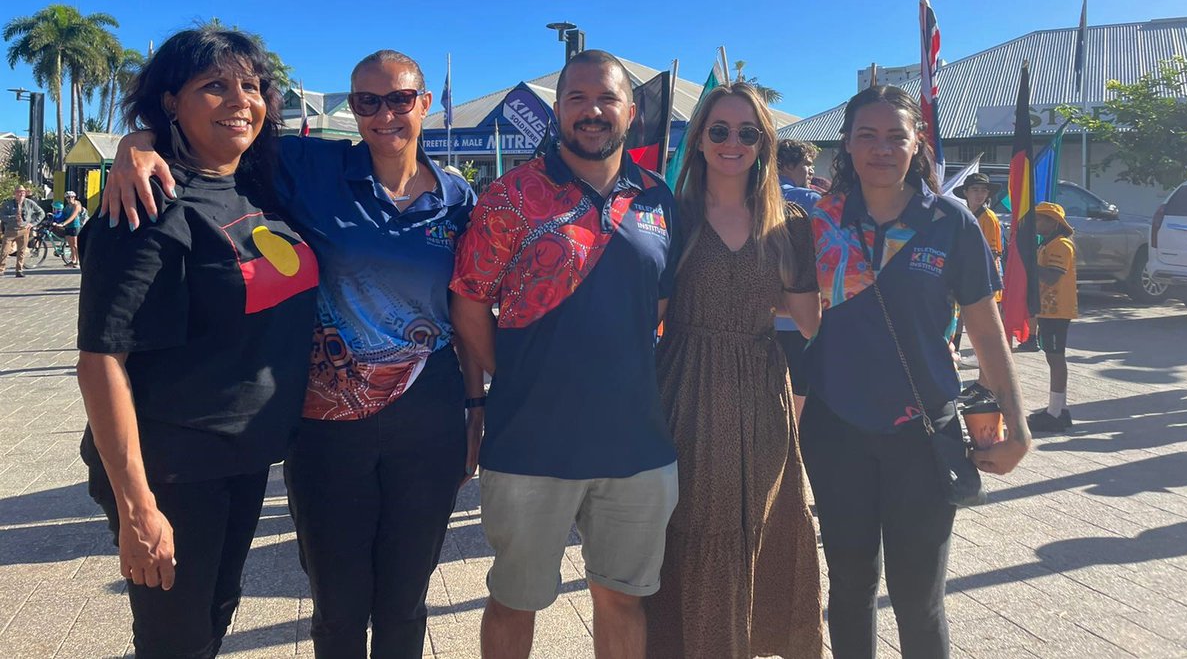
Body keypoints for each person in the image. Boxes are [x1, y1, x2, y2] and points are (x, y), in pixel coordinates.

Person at [102, 48, 481, 659]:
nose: (385, 114)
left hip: (428, 417)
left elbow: (468, 310)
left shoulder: (459, 199)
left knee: (407, 598)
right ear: (353, 109)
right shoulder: (309, 165)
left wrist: (476, 404)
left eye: (400, 99)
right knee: (337, 600)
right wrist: (135, 141)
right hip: (325, 423)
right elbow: (223, 130)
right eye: (367, 101)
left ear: (425, 103)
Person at [76, 28, 320, 658]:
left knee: (210, 619)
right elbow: (101, 360)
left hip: (240, 456)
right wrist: (137, 508)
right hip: (171, 465)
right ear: (170, 103)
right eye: (213, 86)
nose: (238, 100)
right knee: (174, 641)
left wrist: (138, 141)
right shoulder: (144, 205)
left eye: (250, 85)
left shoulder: (256, 184)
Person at [450, 50, 679, 659]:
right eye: (576, 98)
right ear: (558, 111)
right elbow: (470, 304)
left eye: (605, 98)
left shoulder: (659, 199)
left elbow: (658, 304)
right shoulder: (510, 194)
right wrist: (519, 373)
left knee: (623, 598)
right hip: (530, 441)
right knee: (515, 600)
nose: (592, 111)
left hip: (637, 443)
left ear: (630, 110)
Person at [801, 86, 1031, 658]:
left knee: (918, 596)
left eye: (895, 136)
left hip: (923, 435)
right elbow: (784, 313)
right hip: (836, 432)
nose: (882, 148)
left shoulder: (949, 222)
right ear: (846, 146)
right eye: (866, 136)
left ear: (916, 144)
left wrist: (1018, 424)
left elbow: (985, 328)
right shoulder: (815, 223)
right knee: (850, 588)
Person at [646, 83, 824, 659]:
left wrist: (853, 277)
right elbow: (649, 315)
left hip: (761, 391)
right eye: (718, 130)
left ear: (764, 144)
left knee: (765, 522)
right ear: (698, 139)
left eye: (747, 132)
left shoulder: (789, 224)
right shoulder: (673, 218)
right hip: (685, 389)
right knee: (693, 528)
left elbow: (808, 319)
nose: (731, 142)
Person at [776, 138, 822, 416]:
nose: (811, 172)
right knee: (799, 396)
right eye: (806, 164)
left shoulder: (751, 195)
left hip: (759, 319)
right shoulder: (811, 200)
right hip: (802, 319)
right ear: (788, 164)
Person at [1027, 201, 1078, 433]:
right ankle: (1060, 408)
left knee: (1056, 358)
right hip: (1048, 309)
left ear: (1053, 222)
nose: (1035, 223)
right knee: (1052, 357)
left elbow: (1052, 277)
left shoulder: (1061, 245)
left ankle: (1055, 413)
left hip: (1057, 310)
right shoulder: (1046, 244)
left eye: (1039, 219)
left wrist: (1027, 264)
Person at [951, 173, 1003, 392]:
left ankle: (986, 381)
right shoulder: (966, 215)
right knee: (960, 323)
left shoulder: (988, 218)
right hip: (965, 277)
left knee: (984, 332)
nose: (979, 194)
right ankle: (959, 364)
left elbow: (992, 253)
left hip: (983, 281)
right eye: (975, 190)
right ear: (966, 192)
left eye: (983, 191)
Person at [1, 183, 45, 277]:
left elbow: (41, 213)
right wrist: (13, 217)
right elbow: (2, 216)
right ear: (15, 194)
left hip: (24, 230)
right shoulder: (8, 204)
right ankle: (1, 269)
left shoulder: (29, 203)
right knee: (5, 250)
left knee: (21, 251)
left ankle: (19, 270)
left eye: (23, 193)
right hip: (11, 230)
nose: (21, 194)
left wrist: (32, 223)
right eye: (19, 192)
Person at [777, 138, 823, 211]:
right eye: (807, 164)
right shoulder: (810, 198)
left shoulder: (757, 193)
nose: (812, 171)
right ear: (789, 166)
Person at [57, 190, 85, 266]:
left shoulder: (77, 205)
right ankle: (73, 259)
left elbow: (73, 216)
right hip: (68, 226)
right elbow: (62, 215)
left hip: (75, 226)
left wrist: (64, 223)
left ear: (74, 197)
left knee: (75, 244)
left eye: (71, 197)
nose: (70, 199)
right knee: (70, 244)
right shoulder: (67, 206)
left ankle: (78, 261)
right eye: (68, 197)